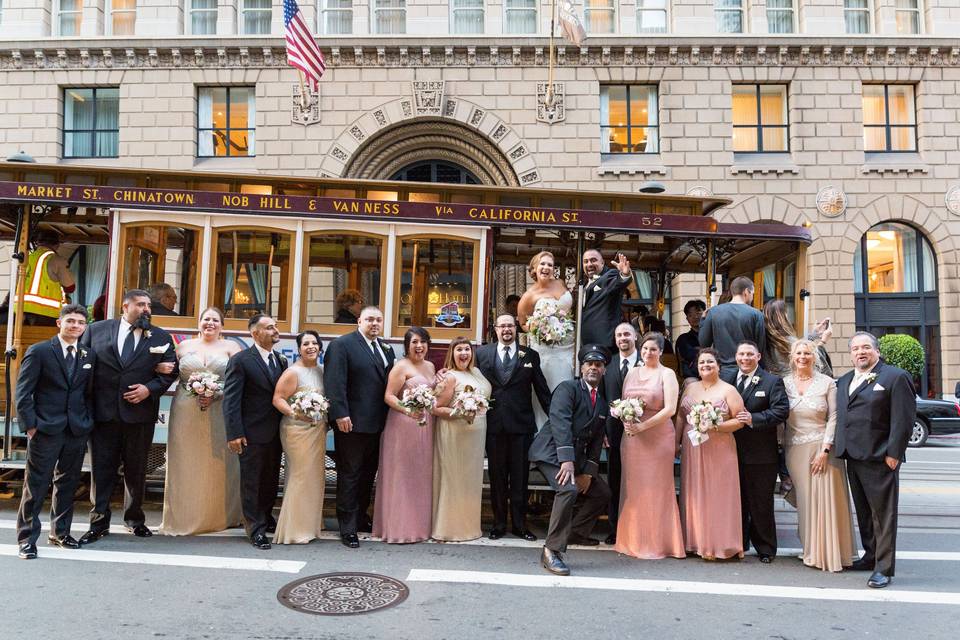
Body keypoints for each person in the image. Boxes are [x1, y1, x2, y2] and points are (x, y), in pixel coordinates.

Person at [79, 289, 178, 544]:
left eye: (148, 305)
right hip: (103, 413)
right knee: (102, 469)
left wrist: (149, 389)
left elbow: (170, 372)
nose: (146, 309)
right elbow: (82, 367)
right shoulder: (96, 330)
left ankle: (135, 519)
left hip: (140, 415)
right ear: (125, 306)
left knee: (136, 469)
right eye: (140, 304)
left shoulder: (161, 336)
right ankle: (98, 522)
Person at [14, 304, 96, 559]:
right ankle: (26, 539)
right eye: (70, 321)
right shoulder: (39, 351)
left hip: (76, 429)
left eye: (80, 322)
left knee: (68, 483)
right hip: (45, 428)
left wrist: (87, 421)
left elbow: (89, 393)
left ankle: (60, 533)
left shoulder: (87, 355)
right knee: (36, 485)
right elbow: (24, 392)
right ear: (59, 323)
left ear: (85, 327)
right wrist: (30, 426)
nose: (75, 326)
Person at [834, 331, 915, 589]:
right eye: (856, 348)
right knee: (864, 512)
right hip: (852, 456)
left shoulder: (895, 377)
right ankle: (870, 556)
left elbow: (903, 419)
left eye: (866, 347)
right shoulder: (845, 380)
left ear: (876, 350)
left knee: (884, 515)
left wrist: (894, 453)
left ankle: (883, 568)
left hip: (880, 457)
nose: (861, 352)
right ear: (851, 354)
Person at [530, 344, 612, 576]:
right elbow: (560, 423)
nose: (593, 368)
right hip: (550, 452)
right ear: (582, 367)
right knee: (568, 489)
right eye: (589, 364)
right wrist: (567, 461)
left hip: (573, 459)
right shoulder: (568, 389)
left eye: (598, 365)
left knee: (602, 493)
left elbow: (596, 441)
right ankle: (551, 550)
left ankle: (575, 532)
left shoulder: (602, 402)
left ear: (604, 370)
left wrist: (589, 472)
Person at [159, 307, 242, 536]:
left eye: (215, 320)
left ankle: (220, 515)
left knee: (220, 460)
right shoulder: (183, 347)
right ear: (198, 323)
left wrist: (216, 391)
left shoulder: (232, 348)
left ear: (222, 326)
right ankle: (184, 515)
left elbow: (238, 380)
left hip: (219, 409)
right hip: (186, 410)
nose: (210, 323)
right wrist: (159, 368)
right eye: (206, 319)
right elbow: (169, 374)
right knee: (186, 460)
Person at [323, 305, 395, 548]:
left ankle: (361, 516)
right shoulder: (342, 345)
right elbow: (335, 382)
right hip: (351, 423)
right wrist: (340, 414)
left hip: (378, 424)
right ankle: (347, 526)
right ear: (359, 321)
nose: (374, 323)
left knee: (367, 474)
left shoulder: (385, 348)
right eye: (369, 319)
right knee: (350, 475)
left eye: (378, 320)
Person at [783, 339, 856, 573]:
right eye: (798, 353)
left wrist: (825, 449)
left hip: (822, 448)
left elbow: (834, 417)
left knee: (825, 500)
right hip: (794, 450)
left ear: (814, 357)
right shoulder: (784, 383)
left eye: (807, 353)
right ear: (792, 357)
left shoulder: (827, 383)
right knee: (805, 501)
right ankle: (810, 548)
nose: (802, 357)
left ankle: (829, 552)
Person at [476, 315, 551, 541]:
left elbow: (542, 390)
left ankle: (520, 525)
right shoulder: (482, 354)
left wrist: (558, 419)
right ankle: (499, 524)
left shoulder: (530, 356)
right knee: (497, 477)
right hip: (494, 426)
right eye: (502, 326)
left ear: (516, 329)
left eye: (510, 325)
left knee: (520, 478)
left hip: (521, 427)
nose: (507, 329)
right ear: (495, 329)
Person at [614, 332, 684, 560]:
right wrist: (624, 417)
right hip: (632, 440)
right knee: (634, 488)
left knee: (657, 489)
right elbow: (623, 401)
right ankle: (632, 540)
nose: (647, 353)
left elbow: (670, 409)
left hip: (658, 437)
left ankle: (659, 542)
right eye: (644, 349)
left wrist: (643, 427)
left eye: (653, 349)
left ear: (661, 351)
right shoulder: (632, 373)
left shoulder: (667, 374)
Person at [223, 314, 288, 550]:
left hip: (275, 433)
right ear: (255, 333)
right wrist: (234, 433)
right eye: (269, 327)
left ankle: (266, 516)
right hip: (250, 432)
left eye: (275, 326)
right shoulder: (241, 360)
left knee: (270, 479)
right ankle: (255, 528)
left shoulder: (280, 360)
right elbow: (231, 399)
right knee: (251, 482)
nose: (275, 330)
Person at [722, 341, 790, 563]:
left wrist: (755, 419)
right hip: (730, 453)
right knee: (735, 502)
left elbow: (781, 411)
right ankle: (739, 544)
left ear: (758, 356)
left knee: (761, 503)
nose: (745, 358)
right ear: (736, 356)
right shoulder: (727, 380)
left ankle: (766, 548)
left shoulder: (772, 382)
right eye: (741, 354)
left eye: (749, 354)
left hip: (761, 455)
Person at [677, 347, 746, 560]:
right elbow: (681, 416)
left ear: (718, 366)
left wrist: (715, 426)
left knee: (718, 493)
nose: (705, 366)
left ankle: (719, 543)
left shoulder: (729, 390)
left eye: (710, 362)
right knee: (695, 492)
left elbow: (740, 420)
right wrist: (676, 443)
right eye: (701, 363)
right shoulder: (690, 388)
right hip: (693, 448)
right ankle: (695, 541)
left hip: (720, 447)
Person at [374, 326, 438, 544]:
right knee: (403, 475)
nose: (419, 346)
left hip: (426, 425)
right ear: (407, 346)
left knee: (421, 475)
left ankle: (419, 526)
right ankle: (399, 528)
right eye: (414, 342)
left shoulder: (430, 366)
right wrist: (408, 409)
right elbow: (389, 396)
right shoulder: (400, 367)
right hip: (403, 425)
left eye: (423, 342)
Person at [431, 337, 491, 542]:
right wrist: (461, 412)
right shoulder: (450, 377)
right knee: (454, 479)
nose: (464, 353)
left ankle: (470, 527)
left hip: (476, 434)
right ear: (452, 353)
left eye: (467, 349)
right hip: (454, 433)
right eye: (459, 350)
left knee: (471, 481)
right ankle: (449, 529)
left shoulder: (477, 373)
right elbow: (436, 408)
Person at [271, 331, 326, 544]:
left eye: (315, 343)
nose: (311, 346)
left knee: (314, 476)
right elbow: (278, 398)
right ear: (299, 348)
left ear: (320, 347)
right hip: (296, 430)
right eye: (306, 344)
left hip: (317, 430)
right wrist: (296, 413)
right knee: (300, 476)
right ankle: (294, 529)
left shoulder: (321, 371)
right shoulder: (292, 372)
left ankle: (310, 524)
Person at [602, 322, 640, 544]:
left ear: (635, 336)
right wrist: (604, 431)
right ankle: (615, 528)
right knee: (615, 481)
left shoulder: (646, 362)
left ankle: (637, 526)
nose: (623, 338)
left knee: (638, 481)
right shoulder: (610, 363)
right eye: (619, 335)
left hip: (641, 432)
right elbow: (605, 399)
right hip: (614, 433)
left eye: (627, 334)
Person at [518, 251, 575, 394]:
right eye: (542, 264)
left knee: (567, 383)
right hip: (545, 347)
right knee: (547, 384)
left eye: (550, 265)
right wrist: (539, 329)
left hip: (568, 344)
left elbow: (567, 311)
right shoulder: (528, 296)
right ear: (535, 268)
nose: (546, 267)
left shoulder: (561, 283)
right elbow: (523, 323)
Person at [698, 276, 765, 374]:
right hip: (748, 370)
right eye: (752, 294)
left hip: (723, 371)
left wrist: (703, 320)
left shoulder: (714, 312)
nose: (752, 297)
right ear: (746, 292)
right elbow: (760, 347)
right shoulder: (756, 314)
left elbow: (704, 343)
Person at [17, 233, 76, 327]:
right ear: (57, 245)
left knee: (24, 340)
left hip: (20, 310)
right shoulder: (56, 260)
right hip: (45, 313)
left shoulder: (26, 258)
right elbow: (70, 287)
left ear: (37, 243)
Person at [580, 249, 633, 349]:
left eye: (593, 260)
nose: (589, 264)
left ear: (602, 262)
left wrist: (624, 275)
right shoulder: (583, 286)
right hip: (586, 345)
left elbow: (618, 282)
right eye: (586, 261)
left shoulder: (609, 275)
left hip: (605, 345)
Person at [676, 299, 706, 382]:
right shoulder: (683, 339)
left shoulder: (713, 334)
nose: (695, 317)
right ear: (687, 319)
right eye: (690, 315)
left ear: (705, 314)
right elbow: (691, 355)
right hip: (693, 376)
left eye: (698, 313)